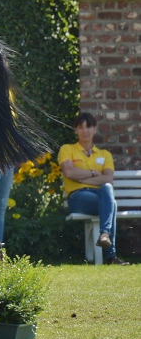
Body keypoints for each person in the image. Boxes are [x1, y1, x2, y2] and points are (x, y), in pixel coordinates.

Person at [59, 112, 129, 265]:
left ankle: (104, 236)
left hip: (100, 196)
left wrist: (80, 177)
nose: (85, 131)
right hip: (78, 197)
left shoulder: (105, 154)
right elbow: (69, 173)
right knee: (112, 204)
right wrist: (93, 173)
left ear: (95, 129)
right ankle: (111, 255)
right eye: (81, 127)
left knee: (108, 189)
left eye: (88, 127)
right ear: (76, 130)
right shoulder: (67, 149)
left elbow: (108, 179)